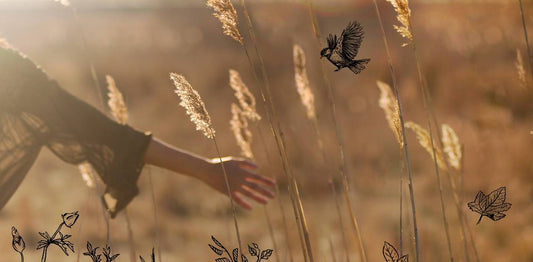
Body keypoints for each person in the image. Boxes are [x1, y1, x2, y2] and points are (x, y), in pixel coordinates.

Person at [0, 42, 275, 218]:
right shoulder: (12, 71)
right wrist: (204, 169)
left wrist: (205, 169)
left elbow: (101, 130)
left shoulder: (12, 72)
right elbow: (104, 132)